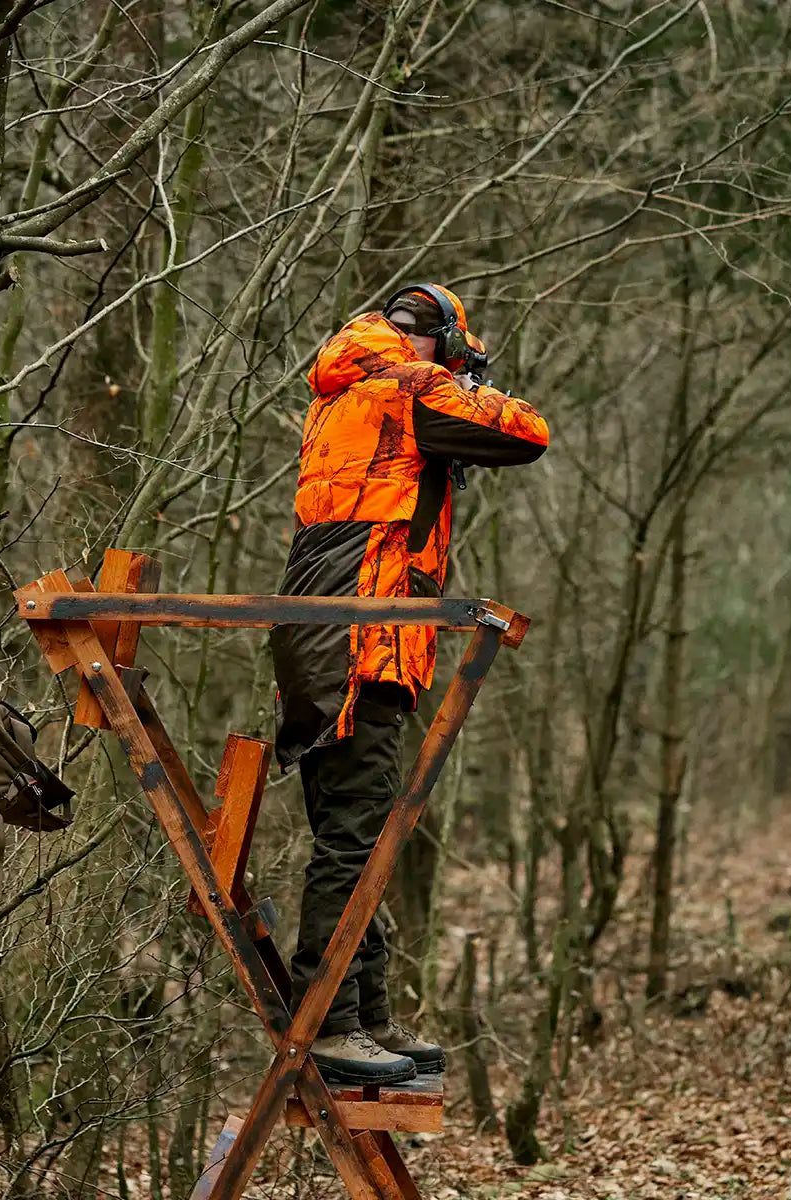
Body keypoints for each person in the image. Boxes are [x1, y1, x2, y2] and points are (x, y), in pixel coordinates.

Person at [270, 283, 549, 1084]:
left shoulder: (346, 392)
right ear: (433, 343)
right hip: (359, 639)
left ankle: (367, 1015)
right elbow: (527, 431)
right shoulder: (402, 387)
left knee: (363, 828)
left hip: (333, 634)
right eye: (453, 352)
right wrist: (467, 378)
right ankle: (326, 1023)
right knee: (354, 834)